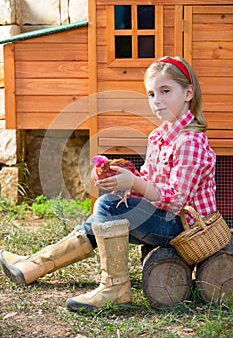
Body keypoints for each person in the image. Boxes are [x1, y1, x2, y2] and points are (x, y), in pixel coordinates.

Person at [0, 56, 216, 312]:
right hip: (162, 217)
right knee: (105, 211)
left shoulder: (189, 140)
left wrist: (134, 182)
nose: (156, 100)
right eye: (150, 93)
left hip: (184, 229)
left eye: (165, 91)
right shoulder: (159, 136)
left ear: (188, 93)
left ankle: (115, 288)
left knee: (107, 207)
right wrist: (120, 179)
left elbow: (177, 200)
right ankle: (33, 265)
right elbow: (149, 180)